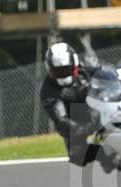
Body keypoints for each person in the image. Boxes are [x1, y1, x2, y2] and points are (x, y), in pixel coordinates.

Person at [41, 41, 113, 170]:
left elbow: (112, 71)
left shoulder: (87, 64)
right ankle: (103, 156)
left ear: (74, 62)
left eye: (66, 69)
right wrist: (82, 128)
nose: (63, 74)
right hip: (77, 119)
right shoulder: (48, 91)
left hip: (102, 101)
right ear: (49, 67)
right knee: (76, 156)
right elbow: (60, 119)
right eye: (57, 71)